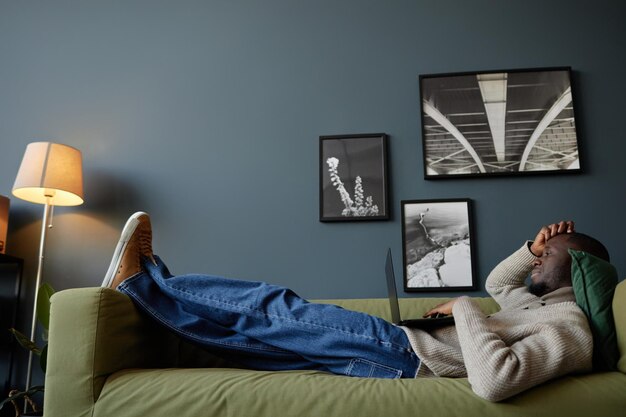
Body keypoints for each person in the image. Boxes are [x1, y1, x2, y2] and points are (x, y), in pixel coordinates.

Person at [101, 212, 610, 402]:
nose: (537, 264)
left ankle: (147, 276)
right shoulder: (533, 299)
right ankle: (141, 289)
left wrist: (462, 309)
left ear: (578, 263)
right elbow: (500, 280)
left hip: (405, 354)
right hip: (402, 351)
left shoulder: (570, 328)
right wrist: (532, 248)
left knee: (275, 306)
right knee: (251, 341)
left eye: (549, 257)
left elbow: (498, 381)